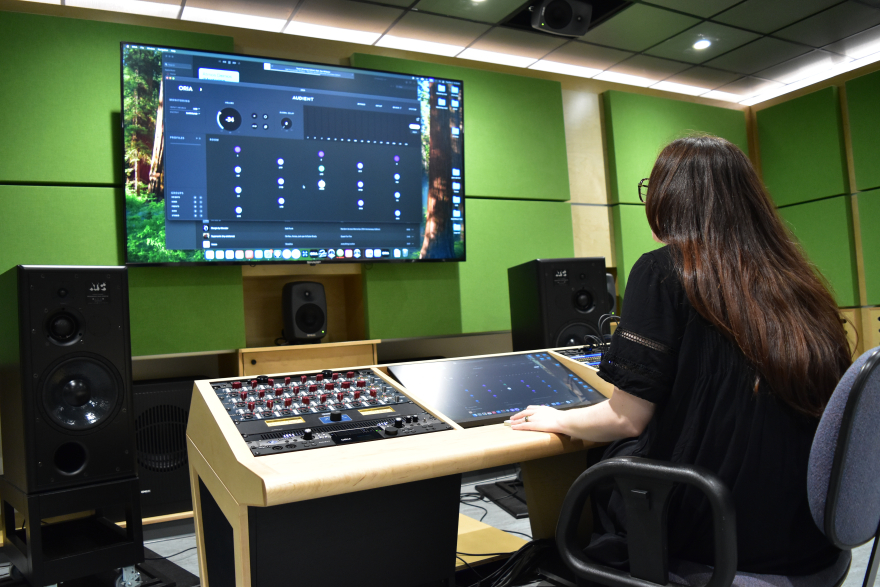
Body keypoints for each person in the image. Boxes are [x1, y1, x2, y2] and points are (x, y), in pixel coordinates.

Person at [510, 135, 851, 575]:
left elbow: (626, 418)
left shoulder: (663, 270)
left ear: (669, 199)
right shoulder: (798, 283)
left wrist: (556, 417)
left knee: (602, 465)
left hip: (720, 532)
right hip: (809, 536)